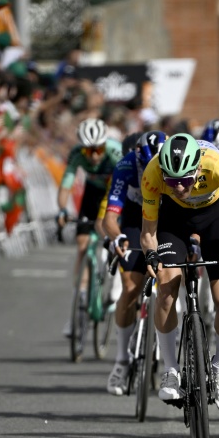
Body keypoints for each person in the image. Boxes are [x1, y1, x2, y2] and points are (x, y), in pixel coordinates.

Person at [140, 133, 219, 414]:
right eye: (172, 181)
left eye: (185, 179)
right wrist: (151, 253)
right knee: (167, 288)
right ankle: (170, 369)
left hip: (213, 215)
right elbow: (148, 232)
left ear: (197, 168)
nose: (179, 186)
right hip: (174, 218)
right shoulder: (153, 172)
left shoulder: (217, 165)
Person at [100, 131, 166, 395]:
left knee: (169, 280)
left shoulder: (172, 164)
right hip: (133, 219)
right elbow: (110, 218)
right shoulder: (126, 165)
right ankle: (121, 361)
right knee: (129, 289)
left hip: (164, 220)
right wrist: (117, 238)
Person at [57, 118, 123, 336]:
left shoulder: (115, 153)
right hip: (92, 194)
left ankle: (114, 282)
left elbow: (122, 184)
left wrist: (107, 218)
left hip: (113, 194)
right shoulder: (76, 154)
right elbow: (66, 183)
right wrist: (62, 211)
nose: (94, 155)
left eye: (98, 149)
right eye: (89, 151)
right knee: (83, 245)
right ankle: (79, 307)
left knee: (112, 238)